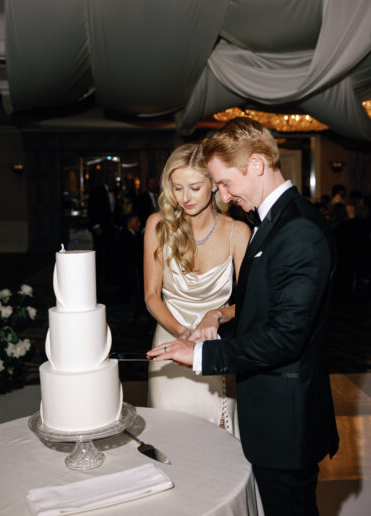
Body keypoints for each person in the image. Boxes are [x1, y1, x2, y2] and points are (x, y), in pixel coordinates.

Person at [148, 118, 339, 516]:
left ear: (256, 165)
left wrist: (200, 356)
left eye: (223, 183)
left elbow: (285, 337)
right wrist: (219, 317)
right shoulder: (274, 223)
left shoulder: (297, 229)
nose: (223, 194)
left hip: (287, 419)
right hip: (272, 411)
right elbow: (258, 307)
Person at [144, 143, 250, 436]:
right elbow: (151, 296)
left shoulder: (237, 232)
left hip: (215, 346)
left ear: (214, 185)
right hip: (169, 340)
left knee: (217, 436)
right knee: (171, 435)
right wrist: (181, 334)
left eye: (194, 187)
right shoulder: (157, 226)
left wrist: (216, 315)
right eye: (177, 188)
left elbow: (248, 303)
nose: (184, 198)